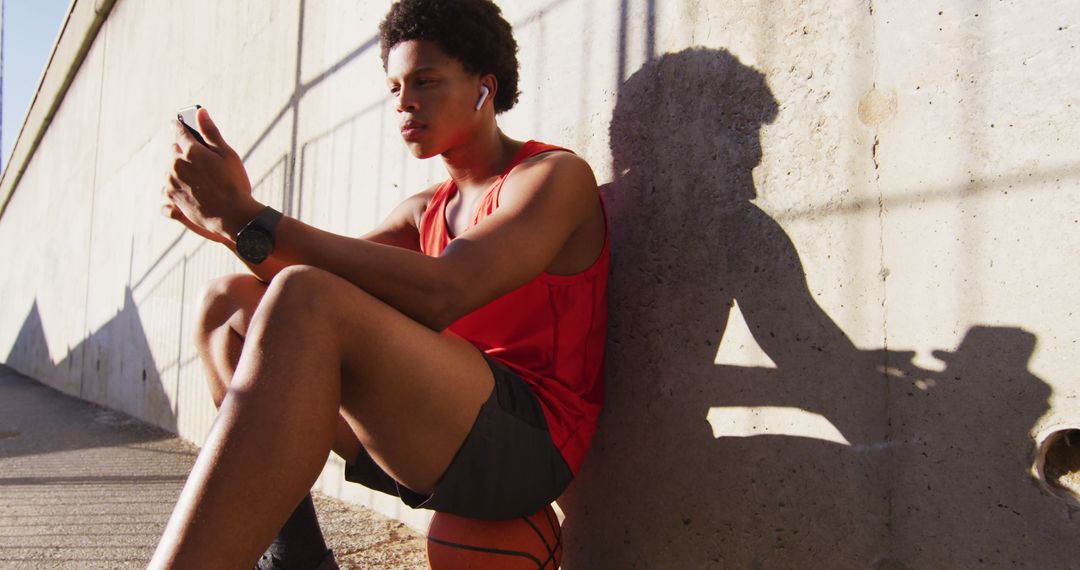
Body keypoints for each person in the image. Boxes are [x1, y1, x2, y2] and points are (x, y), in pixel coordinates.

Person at [150, 0, 609, 567]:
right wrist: (230, 226)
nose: (404, 102)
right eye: (394, 88)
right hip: (436, 427)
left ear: (484, 88)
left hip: (533, 443)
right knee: (229, 305)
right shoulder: (424, 210)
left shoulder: (552, 176)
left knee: (306, 298)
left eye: (425, 81)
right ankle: (295, 560)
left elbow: (446, 289)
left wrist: (248, 216)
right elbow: (308, 289)